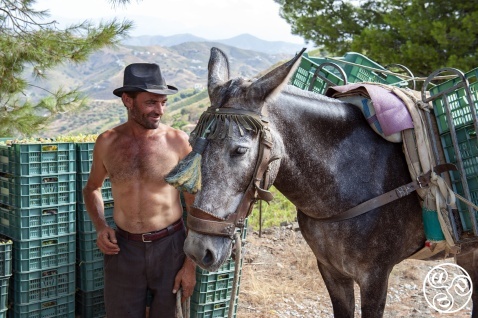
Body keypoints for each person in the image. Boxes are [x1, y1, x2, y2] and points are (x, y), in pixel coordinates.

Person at [82, 63, 196, 317]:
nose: (160, 111)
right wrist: (101, 226)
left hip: (171, 247)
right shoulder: (107, 142)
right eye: (151, 103)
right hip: (123, 248)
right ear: (127, 100)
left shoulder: (178, 142)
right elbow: (92, 188)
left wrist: (190, 265)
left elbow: (194, 203)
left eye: (163, 102)